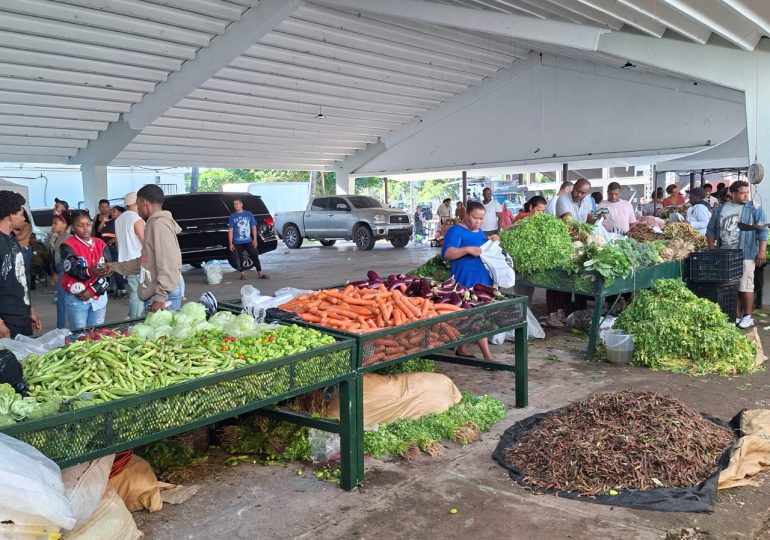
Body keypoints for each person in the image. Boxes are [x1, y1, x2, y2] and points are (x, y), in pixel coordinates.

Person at [102, 184, 183, 313]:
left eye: (138, 204)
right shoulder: (153, 224)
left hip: (162, 294)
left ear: (144, 203)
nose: (137, 208)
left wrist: (161, 296)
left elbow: (169, 262)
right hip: (158, 292)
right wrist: (114, 266)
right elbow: (146, 261)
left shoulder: (159, 225)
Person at [706, 180, 767, 329]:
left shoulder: (753, 208)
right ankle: (736, 315)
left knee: (746, 286)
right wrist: (712, 249)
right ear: (732, 194)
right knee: (731, 286)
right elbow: (711, 230)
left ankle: (748, 316)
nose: (746, 195)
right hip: (725, 254)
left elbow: (763, 231)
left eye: (747, 192)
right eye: (742, 193)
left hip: (746, 253)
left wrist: (761, 252)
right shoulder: (720, 209)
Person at [441, 201, 495, 361]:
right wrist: (466, 250)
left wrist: (491, 240)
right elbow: (447, 253)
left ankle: (462, 348)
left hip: (483, 280)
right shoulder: (455, 231)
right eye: (475, 218)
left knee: (473, 316)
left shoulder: (479, 231)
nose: (478, 222)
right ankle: (487, 356)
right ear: (465, 214)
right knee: (477, 316)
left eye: (481, 219)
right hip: (465, 280)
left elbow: (482, 249)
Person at [0, 191, 42, 337]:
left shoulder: (11, 239)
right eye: (21, 214)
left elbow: (19, 279)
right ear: (11, 216)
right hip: (6, 321)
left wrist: (29, 308)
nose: (24, 218)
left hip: (21, 316)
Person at [60, 214, 111, 330]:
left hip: (99, 296)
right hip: (77, 297)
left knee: (97, 334)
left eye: (88, 224)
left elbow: (109, 270)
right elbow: (72, 269)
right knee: (80, 335)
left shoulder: (101, 244)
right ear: (73, 228)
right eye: (80, 225)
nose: (85, 228)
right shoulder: (67, 245)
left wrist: (93, 290)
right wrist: (90, 271)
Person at [114, 192, 145, 319]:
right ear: (135, 203)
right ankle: (134, 319)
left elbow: (117, 242)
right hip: (137, 261)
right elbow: (145, 240)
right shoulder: (136, 219)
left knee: (134, 291)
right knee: (139, 293)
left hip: (125, 260)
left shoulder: (119, 219)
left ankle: (131, 315)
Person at [228, 197, 268, 280]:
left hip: (248, 240)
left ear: (241, 204)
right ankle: (242, 273)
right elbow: (231, 230)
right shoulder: (232, 216)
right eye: (234, 204)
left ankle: (260, 273)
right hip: (237, 241)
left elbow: (253, 227)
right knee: (239, 258)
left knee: (254, 255)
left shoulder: (248, 214)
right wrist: (230, 243)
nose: (235, 205)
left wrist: (255, 239)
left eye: (237, 204)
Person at [49, 212, 72, 329]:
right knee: (61, 300)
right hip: (60, 269)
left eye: (56, 223)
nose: (53, 225)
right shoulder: (58, 237)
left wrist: (59, 273)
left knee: (62, 300)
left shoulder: (67, 238)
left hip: (64, 270)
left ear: (64, 224)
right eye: (53, 223)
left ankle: (61, 328)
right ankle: (61, 327)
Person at [100, 205, 127, 299]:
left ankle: (121, 289)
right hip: (106, 248)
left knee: (116, 268)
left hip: (116, 248)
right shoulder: (109, 222)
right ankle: (111, 288)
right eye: (111, 211)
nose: (111, 212)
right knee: (108, 267)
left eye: (114, 211)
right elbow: (100, 230)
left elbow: (124, 234)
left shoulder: (122, 222)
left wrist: (114, 239)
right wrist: (103, 221)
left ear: (120, 213)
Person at [14, 211, 32, 289]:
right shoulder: (12, 225)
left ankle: (25, 290)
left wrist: (10, 235)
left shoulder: (26, 225)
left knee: (24, 272)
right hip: (15, 250)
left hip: (24, 250)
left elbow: (20, 237)